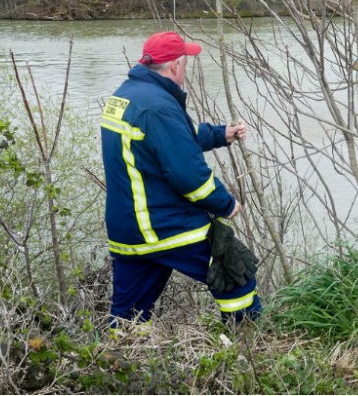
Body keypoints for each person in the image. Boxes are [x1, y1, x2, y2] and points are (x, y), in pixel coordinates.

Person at [100, 30, 262, 326]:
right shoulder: (159, 106)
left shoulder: (127, 96)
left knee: (128, 316)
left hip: (128, 231)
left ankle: (115, 364)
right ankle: (248, 343)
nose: (185, 69)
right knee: (234, 273)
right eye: (185, 63)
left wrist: (218, 135)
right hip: (161, 225)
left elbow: (162, 144)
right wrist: (225, 204)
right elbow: (187, 174)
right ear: (174, 65)